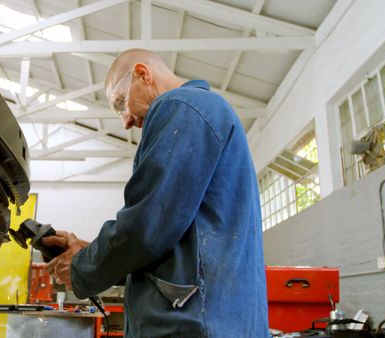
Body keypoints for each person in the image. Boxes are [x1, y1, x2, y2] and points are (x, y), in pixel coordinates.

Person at [42, 49, 269, 337]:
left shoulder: (181, 105)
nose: (125, 121)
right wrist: (87, 251)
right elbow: (172, 243)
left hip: (191, 324)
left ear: (142, 74)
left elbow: (146, 226)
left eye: (121, 103)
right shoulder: (208, 112)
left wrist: (81, 267)